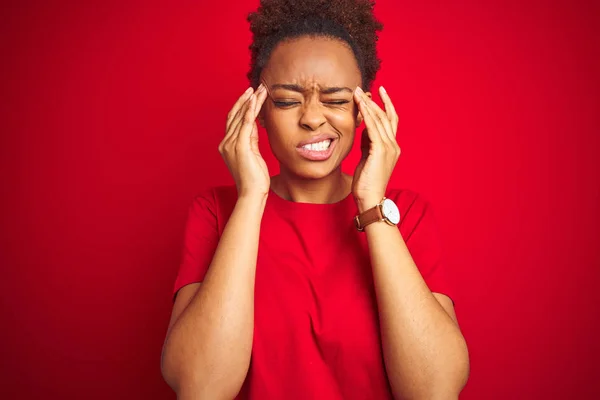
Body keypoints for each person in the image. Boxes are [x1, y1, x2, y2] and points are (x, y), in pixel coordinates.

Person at [161, 0, 470, 398]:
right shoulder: (217, 213)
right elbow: (198, 386)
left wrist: (372, 203)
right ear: (258, 112)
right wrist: (252, 197)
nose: (311, 118)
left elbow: (435, 389)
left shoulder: (404, 215)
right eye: (287, 101)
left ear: (364, 112)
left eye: (337, 100)